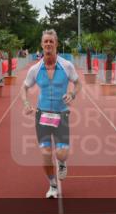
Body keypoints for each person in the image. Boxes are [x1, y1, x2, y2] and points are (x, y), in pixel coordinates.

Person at [21, 29, 81, 199]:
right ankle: (52, 185)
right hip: (43, 115)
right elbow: (24, 87)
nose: (48, 44)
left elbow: (78, 84)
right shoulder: (35, 69)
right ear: (42, 44)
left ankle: (62, 162)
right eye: (45, 41)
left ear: (56, 44)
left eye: (51, 41)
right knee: (46, 153)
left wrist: (72, 94)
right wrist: (26, 103)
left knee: (61, 153)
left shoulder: (67, 66)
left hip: (61, 114)